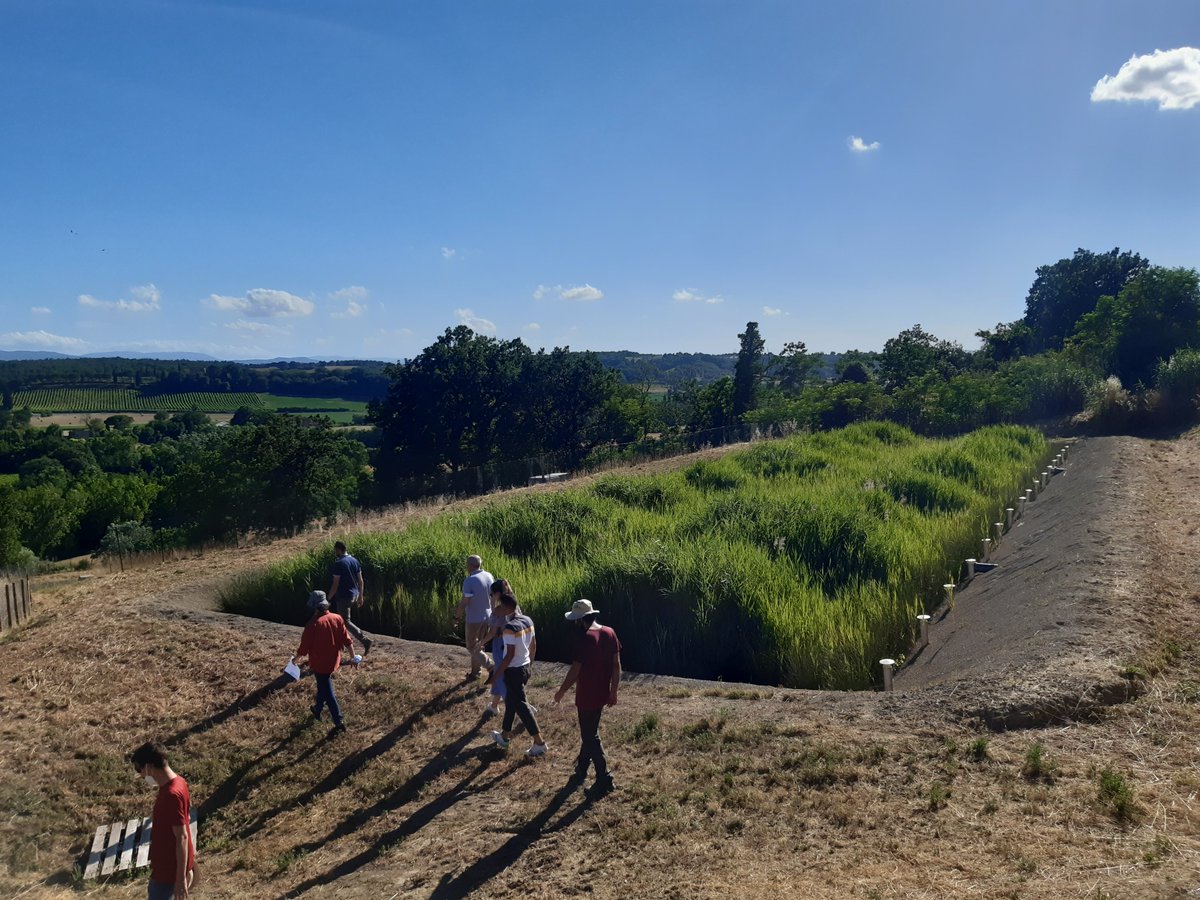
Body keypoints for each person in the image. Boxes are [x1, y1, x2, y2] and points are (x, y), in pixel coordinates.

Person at [553, 598, 621, 797]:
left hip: (586, 695)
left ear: (581, 620)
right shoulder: (610, 632)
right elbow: (617, 666)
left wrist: (561, 691)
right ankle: (581, 769)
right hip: (602, 693)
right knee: (590, 732)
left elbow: (575, 671)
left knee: (590, 736)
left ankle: (604, 778)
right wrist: (614, 691)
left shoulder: (584, 639)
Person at [130, 741, 196, 900]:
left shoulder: (171, 795)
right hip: (168, 872)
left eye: (140, 769)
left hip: (167, 877)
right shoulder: (179, 782)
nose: (141, 775)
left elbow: (182, 836)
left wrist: (180, 880)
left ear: (150, 767)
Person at [487, 591, 547, 757]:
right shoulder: (527, 620)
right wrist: (530, 665)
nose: (496, 608)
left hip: (513, 671)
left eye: (499, 605)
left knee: (522, 706)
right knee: (512, 702)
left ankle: (539, 743)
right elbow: (533, 644)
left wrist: (496, 675)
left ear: (506, 608)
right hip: (524, 667)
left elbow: (509, 655)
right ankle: (504, 737)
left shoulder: (509, 629)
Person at [295, 590, 353, 734]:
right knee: (322, 685)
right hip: (334, 660)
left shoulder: (312, 625)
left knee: (328, 692)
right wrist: (352, 657)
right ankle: (317, 709)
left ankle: (339, 722)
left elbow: (303, 649)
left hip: (320, 664)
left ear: (314, 607)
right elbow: (347, 640)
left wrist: (294, 661)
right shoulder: (337, 618)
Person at [328, 540, 372, 656]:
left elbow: (335, 584)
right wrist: (360, 596)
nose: (335, 552)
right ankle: (340, 644)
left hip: (344, 596)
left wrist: (328, 598)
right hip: (354, 594)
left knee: (345, 622)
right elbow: (360, 580)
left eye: (335, 550)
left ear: (338, 549)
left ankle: (364, 640)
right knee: (341, 621)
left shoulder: (339, 563)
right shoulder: (354, 561)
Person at [455, 554, 494, 680]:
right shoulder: (489, 576)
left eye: (467, 564)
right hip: (487, 617)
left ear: (470, 565)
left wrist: (457, 617)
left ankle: (491, 666)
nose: (466, 566)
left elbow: (465, 602)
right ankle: (475, 673)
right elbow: (493, 597)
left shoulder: (470, 580)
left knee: (472, 647)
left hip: (474, 619)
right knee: (479, 646)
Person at [481, 579, 513, 718]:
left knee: (500, 674)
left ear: (497, 593)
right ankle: (494, 706)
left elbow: (493, 630)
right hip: (511, 642)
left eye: (492, 594)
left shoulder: (501, 609)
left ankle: (521, 707)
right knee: (502, 674)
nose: (491, 596)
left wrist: (480, 643)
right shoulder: (511, 603)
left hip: (501, 643)